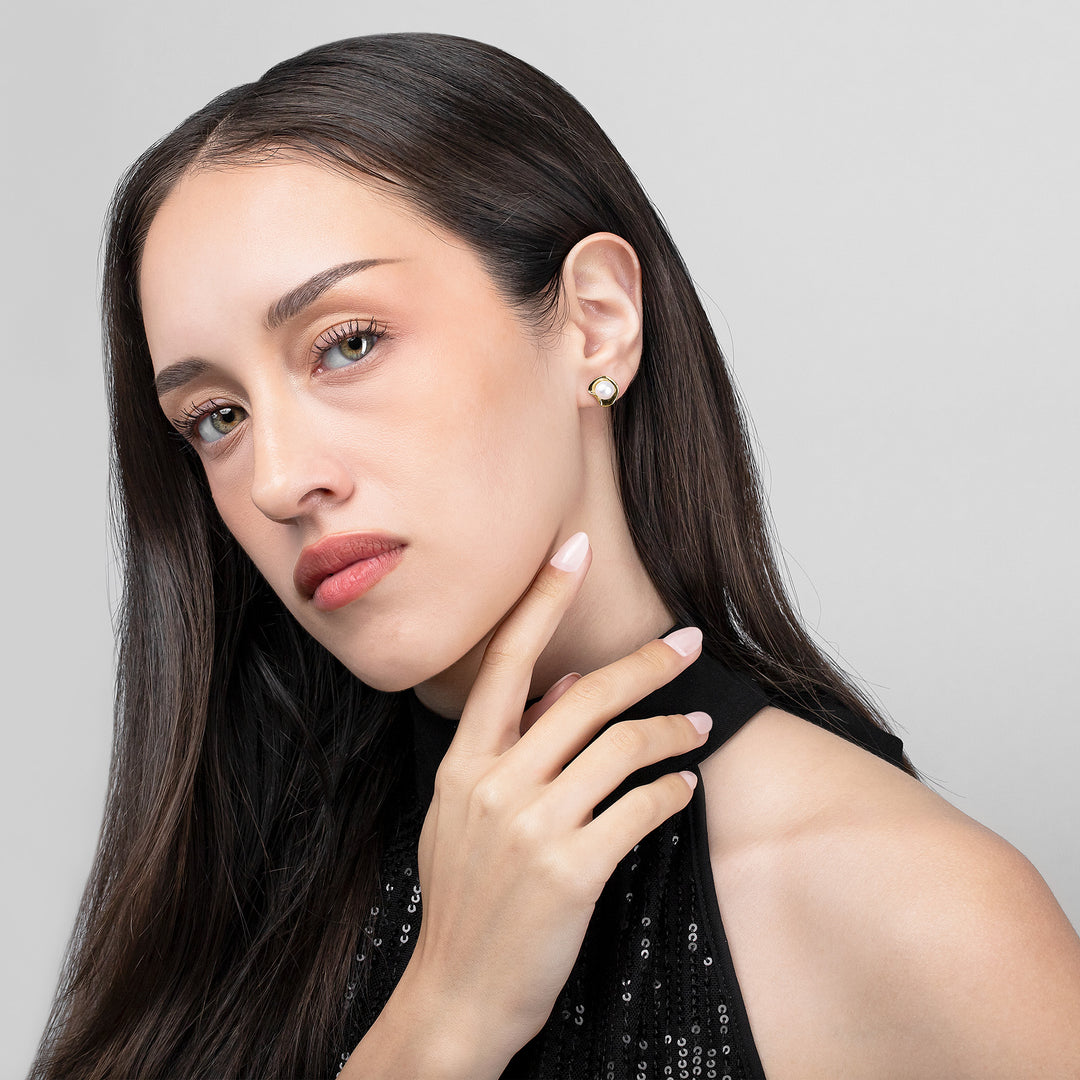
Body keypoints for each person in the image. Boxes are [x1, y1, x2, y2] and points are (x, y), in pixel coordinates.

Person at [30, 31, 1080, 1080]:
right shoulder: (229, 894)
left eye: (348, 343)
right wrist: (444, 1021)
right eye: (216, 416)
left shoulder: (917, 911)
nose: (275, 479)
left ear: (595, 321)